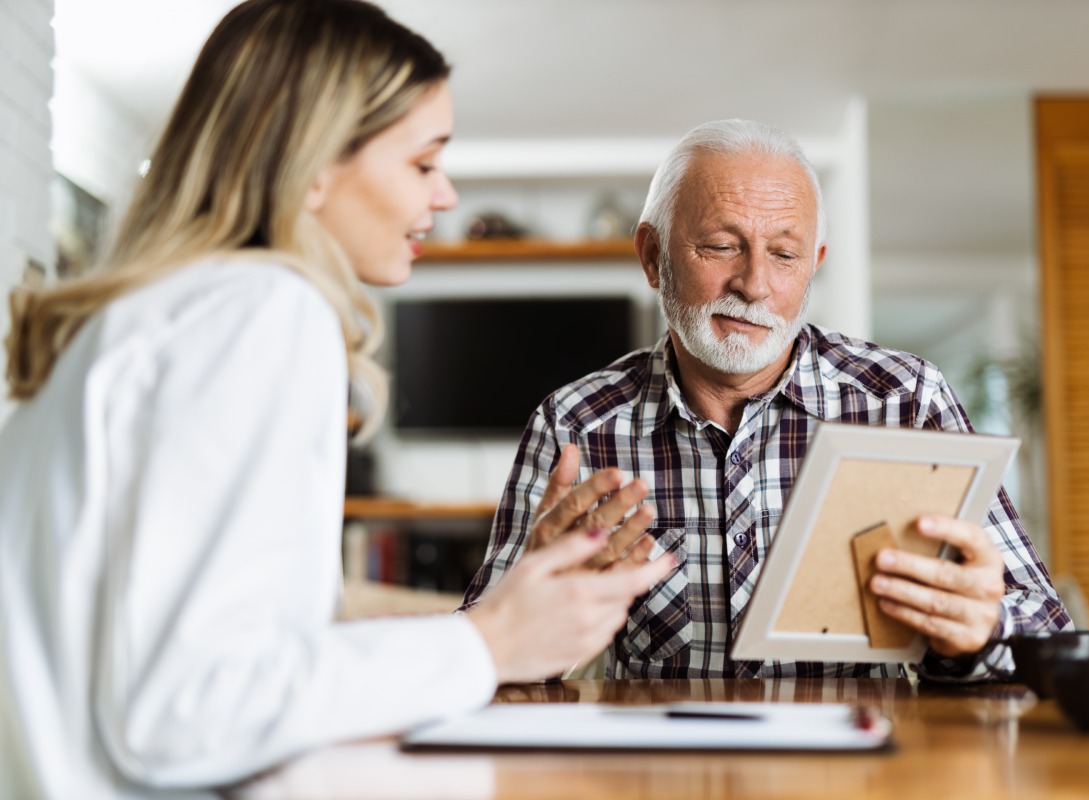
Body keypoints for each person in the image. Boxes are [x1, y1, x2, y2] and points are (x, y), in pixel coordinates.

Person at [0, 1, 674, 797]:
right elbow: (189, 713)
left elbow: (227, 660)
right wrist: (489, 642)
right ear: (313, 163)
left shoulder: (142, 322)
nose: (450, 194)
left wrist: (499, 622)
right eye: (424, 163)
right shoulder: (261, 311)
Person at [463, 119, 1073, 680]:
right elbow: (479, 666)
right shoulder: (575, 425)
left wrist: (979, 632)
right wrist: (526, 612)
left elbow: (1048, 630)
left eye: (784, 255)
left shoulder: (906, 401)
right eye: (721, 246)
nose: (755, 285)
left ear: (814, 265)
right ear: (653, 256)